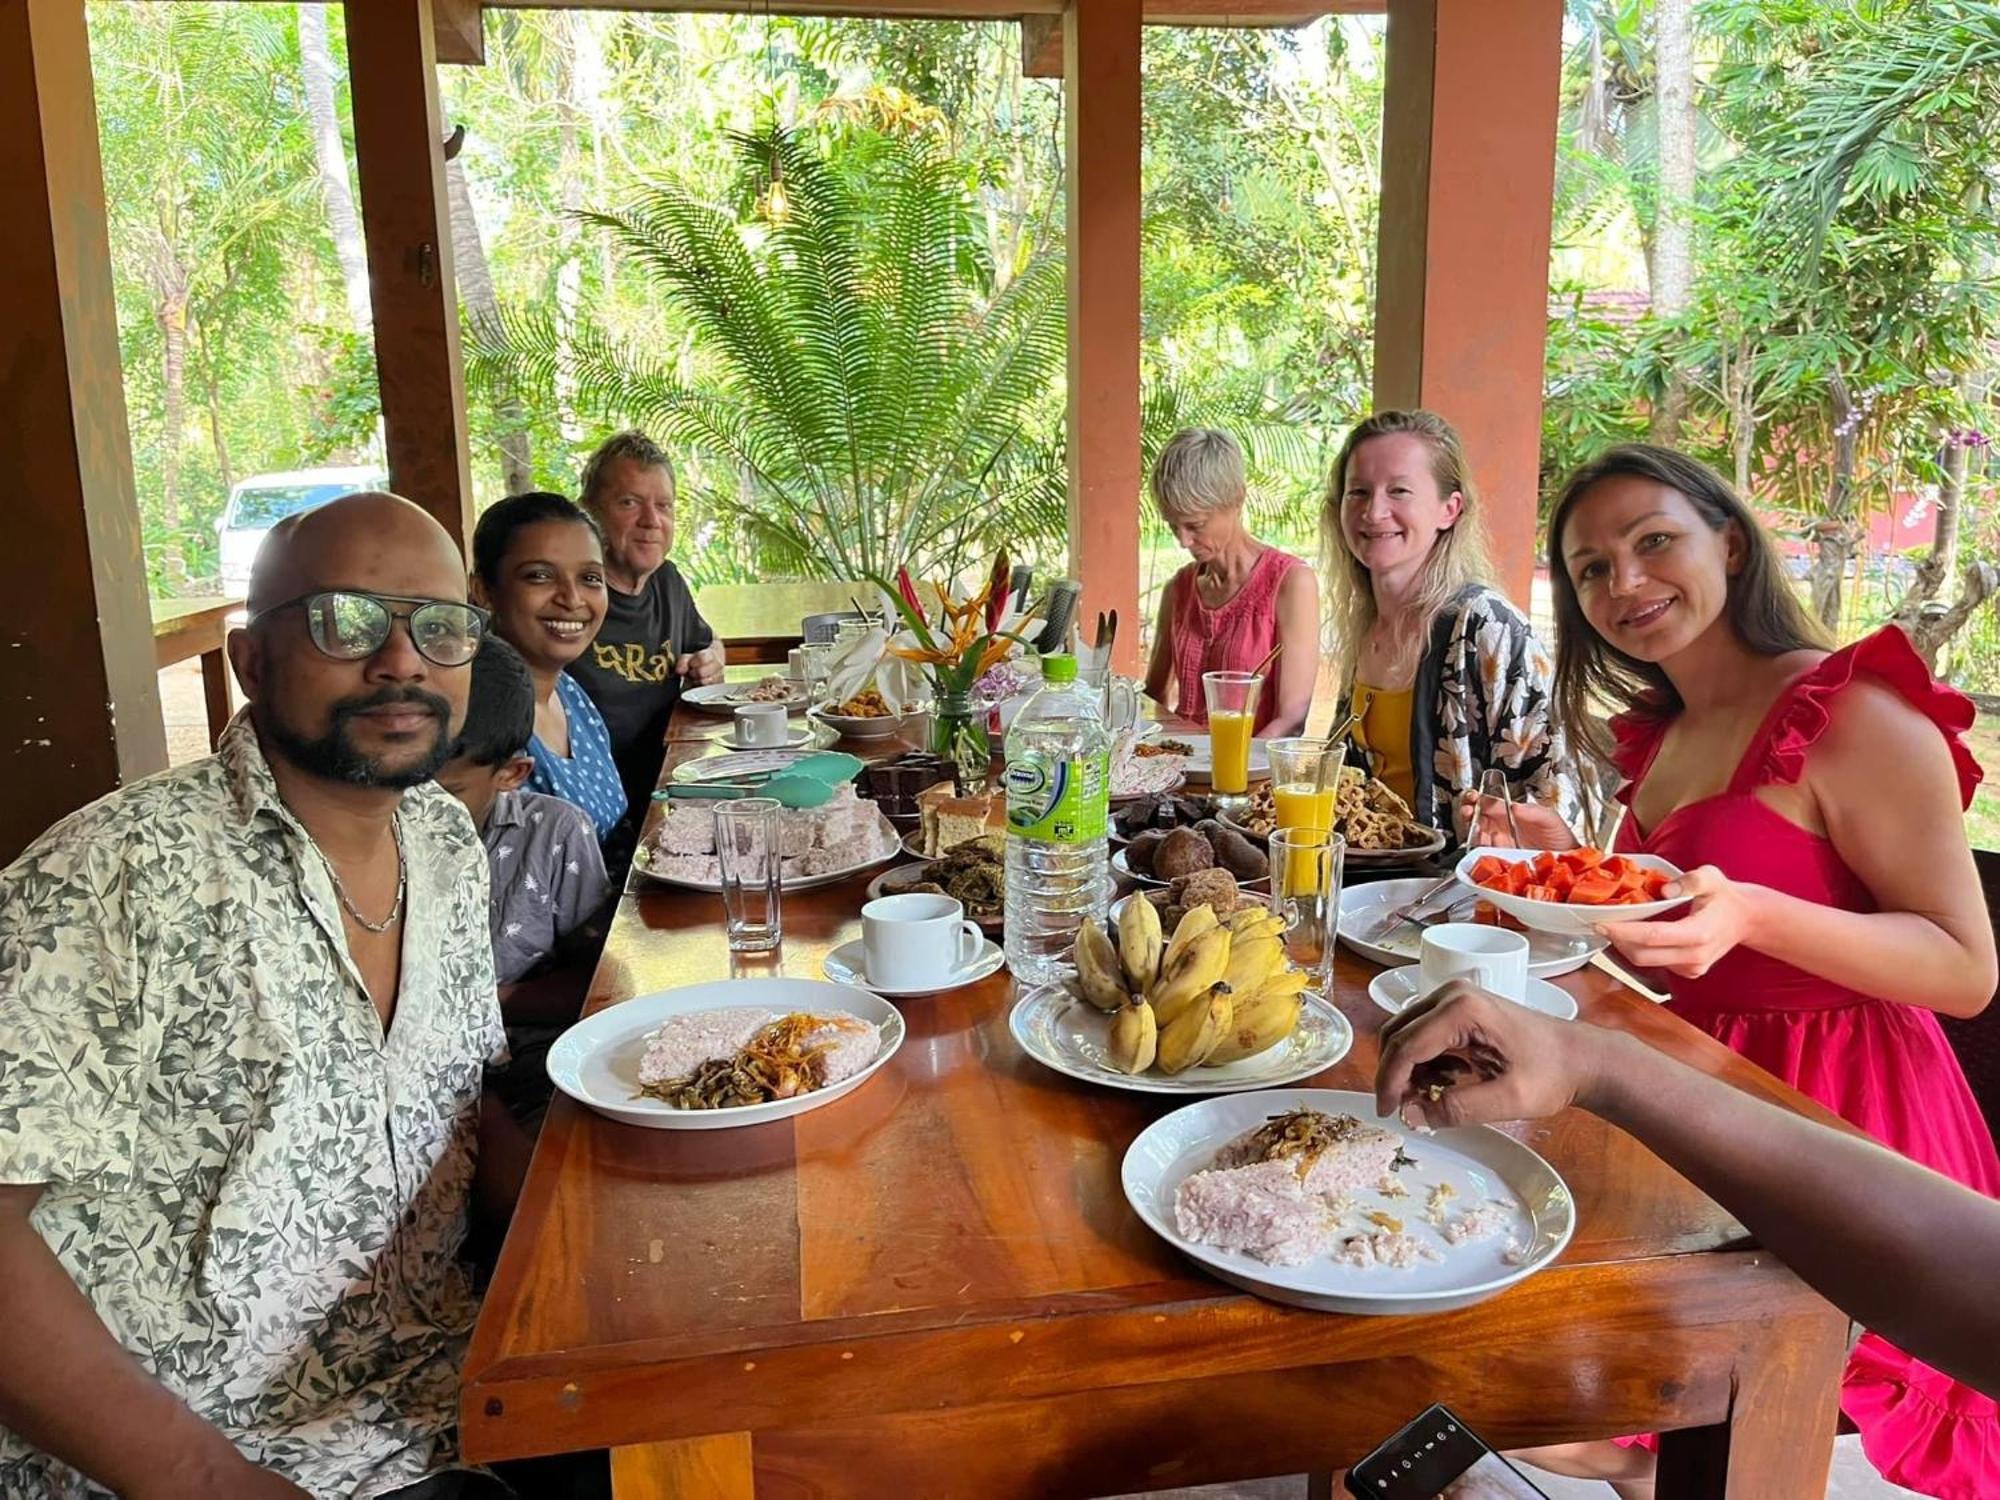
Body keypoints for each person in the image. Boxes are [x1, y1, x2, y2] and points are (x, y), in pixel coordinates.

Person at [1469, 443, 2000, 1499]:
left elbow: (1962, 965)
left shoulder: (1848, 711)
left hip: (1840, 1109)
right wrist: (1556, 866)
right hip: (1694, 1087)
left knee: (1758, 1401)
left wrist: (1754, 913)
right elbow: (1669, 929)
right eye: (1588, 568)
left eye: (1651, 541)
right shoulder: (1664, 733)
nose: (1623, 582)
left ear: (1729, 539)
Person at [0, 493, 515, 1498]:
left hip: (439, 1392)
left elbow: (457, 1106)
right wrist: (197, 1476)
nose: (401, 660)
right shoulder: (112, 878)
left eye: (438, 626)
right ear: (250, 660)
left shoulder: (448, 845)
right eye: (346, 620)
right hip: (194, 1455)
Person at [1377, 984, 2000, 1403]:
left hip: (1839, 1085)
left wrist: (1750, 913)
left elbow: (1968, 975)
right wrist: (1594, 1062)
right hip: (1707, 1095)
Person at [1323, 410, 1579, 839]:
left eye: (1399, 491)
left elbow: (1559, 794)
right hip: (1369, 886)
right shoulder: (1365, 626)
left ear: (1449, 509)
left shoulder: (1486, 627)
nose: (1374, 511)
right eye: (1359, 492)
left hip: (1460, 894)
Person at [436, 636, 609, 1131]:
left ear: (512, 773)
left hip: (533, 1069)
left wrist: (493, 1000)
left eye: (445, 793)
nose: (416, 808)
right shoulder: (374, 846)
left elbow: (595, 984)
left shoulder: (555, 834)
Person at [568, 430, 726, 814]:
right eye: (629, 503)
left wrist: (711, 658)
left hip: (667, 789)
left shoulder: (666, 581)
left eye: (664, 506)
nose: (651, 521)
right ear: (588, 511)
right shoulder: (570, 598)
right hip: (598, 811)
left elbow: (707, 640)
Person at [470, 491, 627, 845]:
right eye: (539, 576)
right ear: (483, 590)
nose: (571, 599)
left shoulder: (570, 693)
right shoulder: (476, 717)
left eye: (590, 578)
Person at [1143, 428, 1319, 736]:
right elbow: (1152, 697)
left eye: (1195, 525)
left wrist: (1234, 770)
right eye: (1173, 526)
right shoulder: (1179, 589)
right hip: (1180, 767)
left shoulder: (1290, 583)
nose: (1183, 541)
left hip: (1251, 771)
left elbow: (1291, 719)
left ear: (1237, 499)